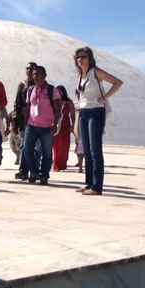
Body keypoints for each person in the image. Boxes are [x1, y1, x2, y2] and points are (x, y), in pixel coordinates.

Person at [74, 47, 123, 195]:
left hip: (96, 111)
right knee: (87, 150)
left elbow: (117, 82)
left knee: (95, 150)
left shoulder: (96, 72)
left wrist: (106, 96)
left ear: (90, 58)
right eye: (78, 57)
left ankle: (97, 187)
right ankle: (89, 184)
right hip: (83, 112)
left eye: (83, 56)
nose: (80, 60)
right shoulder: (80, 75)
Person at [20, 66, 61, 185]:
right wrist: (25, 123)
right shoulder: (30, 90)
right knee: (26, 150)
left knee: (47, 153)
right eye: (34, 74)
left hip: (47, 126)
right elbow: (28, 107)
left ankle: (44, 175)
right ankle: (33, 172)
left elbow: (58, 109)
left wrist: (55, 123)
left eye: (38, 74)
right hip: (31, 125)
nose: (36, 77)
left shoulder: (52, 90)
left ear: (45, 75)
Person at [13, 62, 37, 179]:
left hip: (37, 120)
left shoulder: (40, 85)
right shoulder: (22, 85)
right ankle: (23, 171)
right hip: (24, 120)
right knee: (24, 145)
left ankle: (35, 171)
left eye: (31, 68)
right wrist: (15, 122)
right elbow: (17, 104)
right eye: (27, 68)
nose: (29, 70)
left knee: (36, 147)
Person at [53, 85, 75, 171]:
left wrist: (73, 125)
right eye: (57, 91)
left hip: (66, 126)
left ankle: (63, 164)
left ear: (63, 92)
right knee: (56, 146)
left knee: (65, 146)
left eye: (60, 91)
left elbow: (72, 115)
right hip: (56, 126)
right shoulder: (54, 101)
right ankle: (56, 165)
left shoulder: (69, 102)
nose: (58, 93)